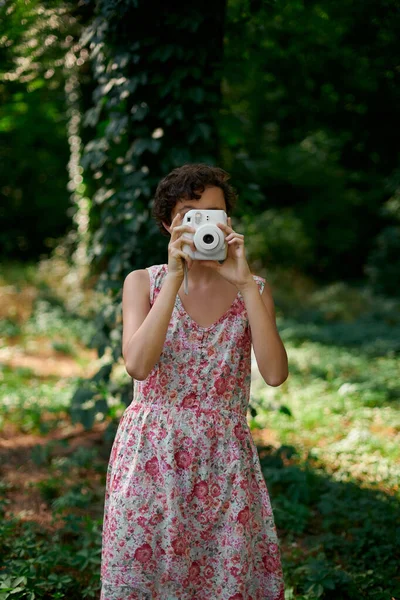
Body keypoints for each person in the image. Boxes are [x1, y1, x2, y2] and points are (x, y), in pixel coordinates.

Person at [100, 163, 288, 600]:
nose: (204, 224)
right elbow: (138, 365)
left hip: (225, 461)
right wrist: (175, 278)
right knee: (143, 578)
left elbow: (275, 374)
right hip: (150, 457)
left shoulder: (253, 289)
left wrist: (244, 286)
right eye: (190, 214)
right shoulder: (142, 282)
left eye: (215, 213)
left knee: (222, 582)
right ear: (169, 224)